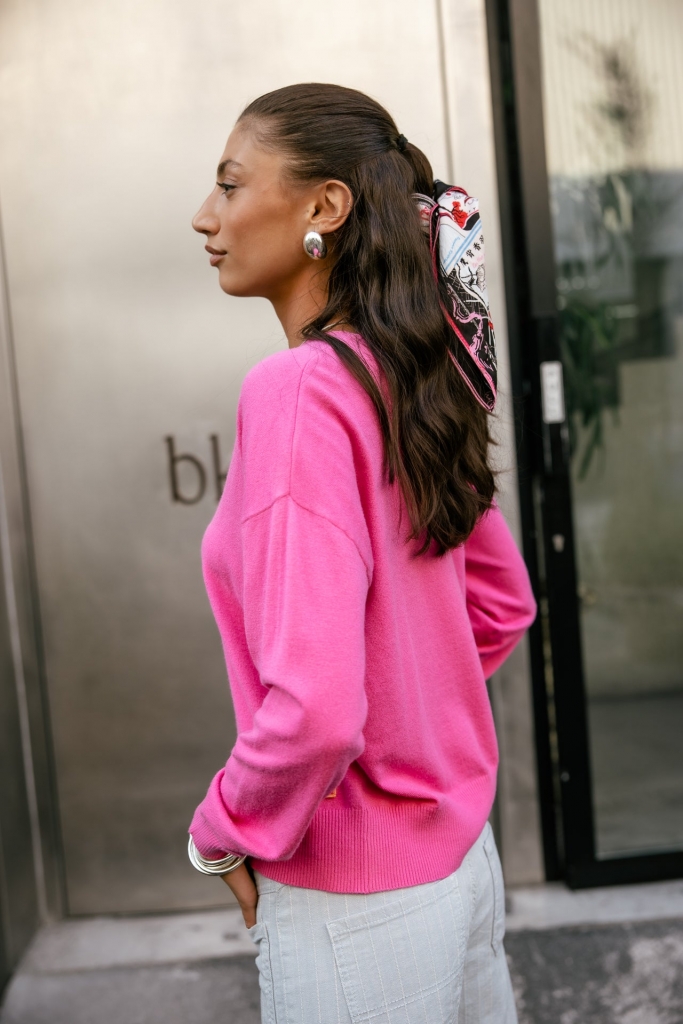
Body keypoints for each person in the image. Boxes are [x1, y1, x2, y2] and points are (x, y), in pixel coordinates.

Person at [188, 82, 536, 1024]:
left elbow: (315, 713)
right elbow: (502, 606)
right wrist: (410, 732)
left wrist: (222, 829)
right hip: (461, 867)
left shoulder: (299, 392)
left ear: (325, 206)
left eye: (229, 184)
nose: (205, 216)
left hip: (355, 904)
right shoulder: (412, 374)